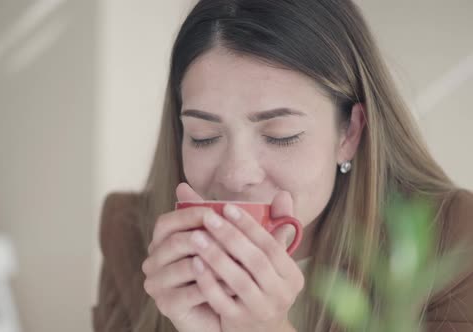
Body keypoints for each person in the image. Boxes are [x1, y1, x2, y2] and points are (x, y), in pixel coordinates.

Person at [92, 0, 473, 331]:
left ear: (350, 134)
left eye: (280, 135)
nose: (236, 175)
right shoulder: (131, 236)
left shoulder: (452, 239)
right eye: (204, 135)